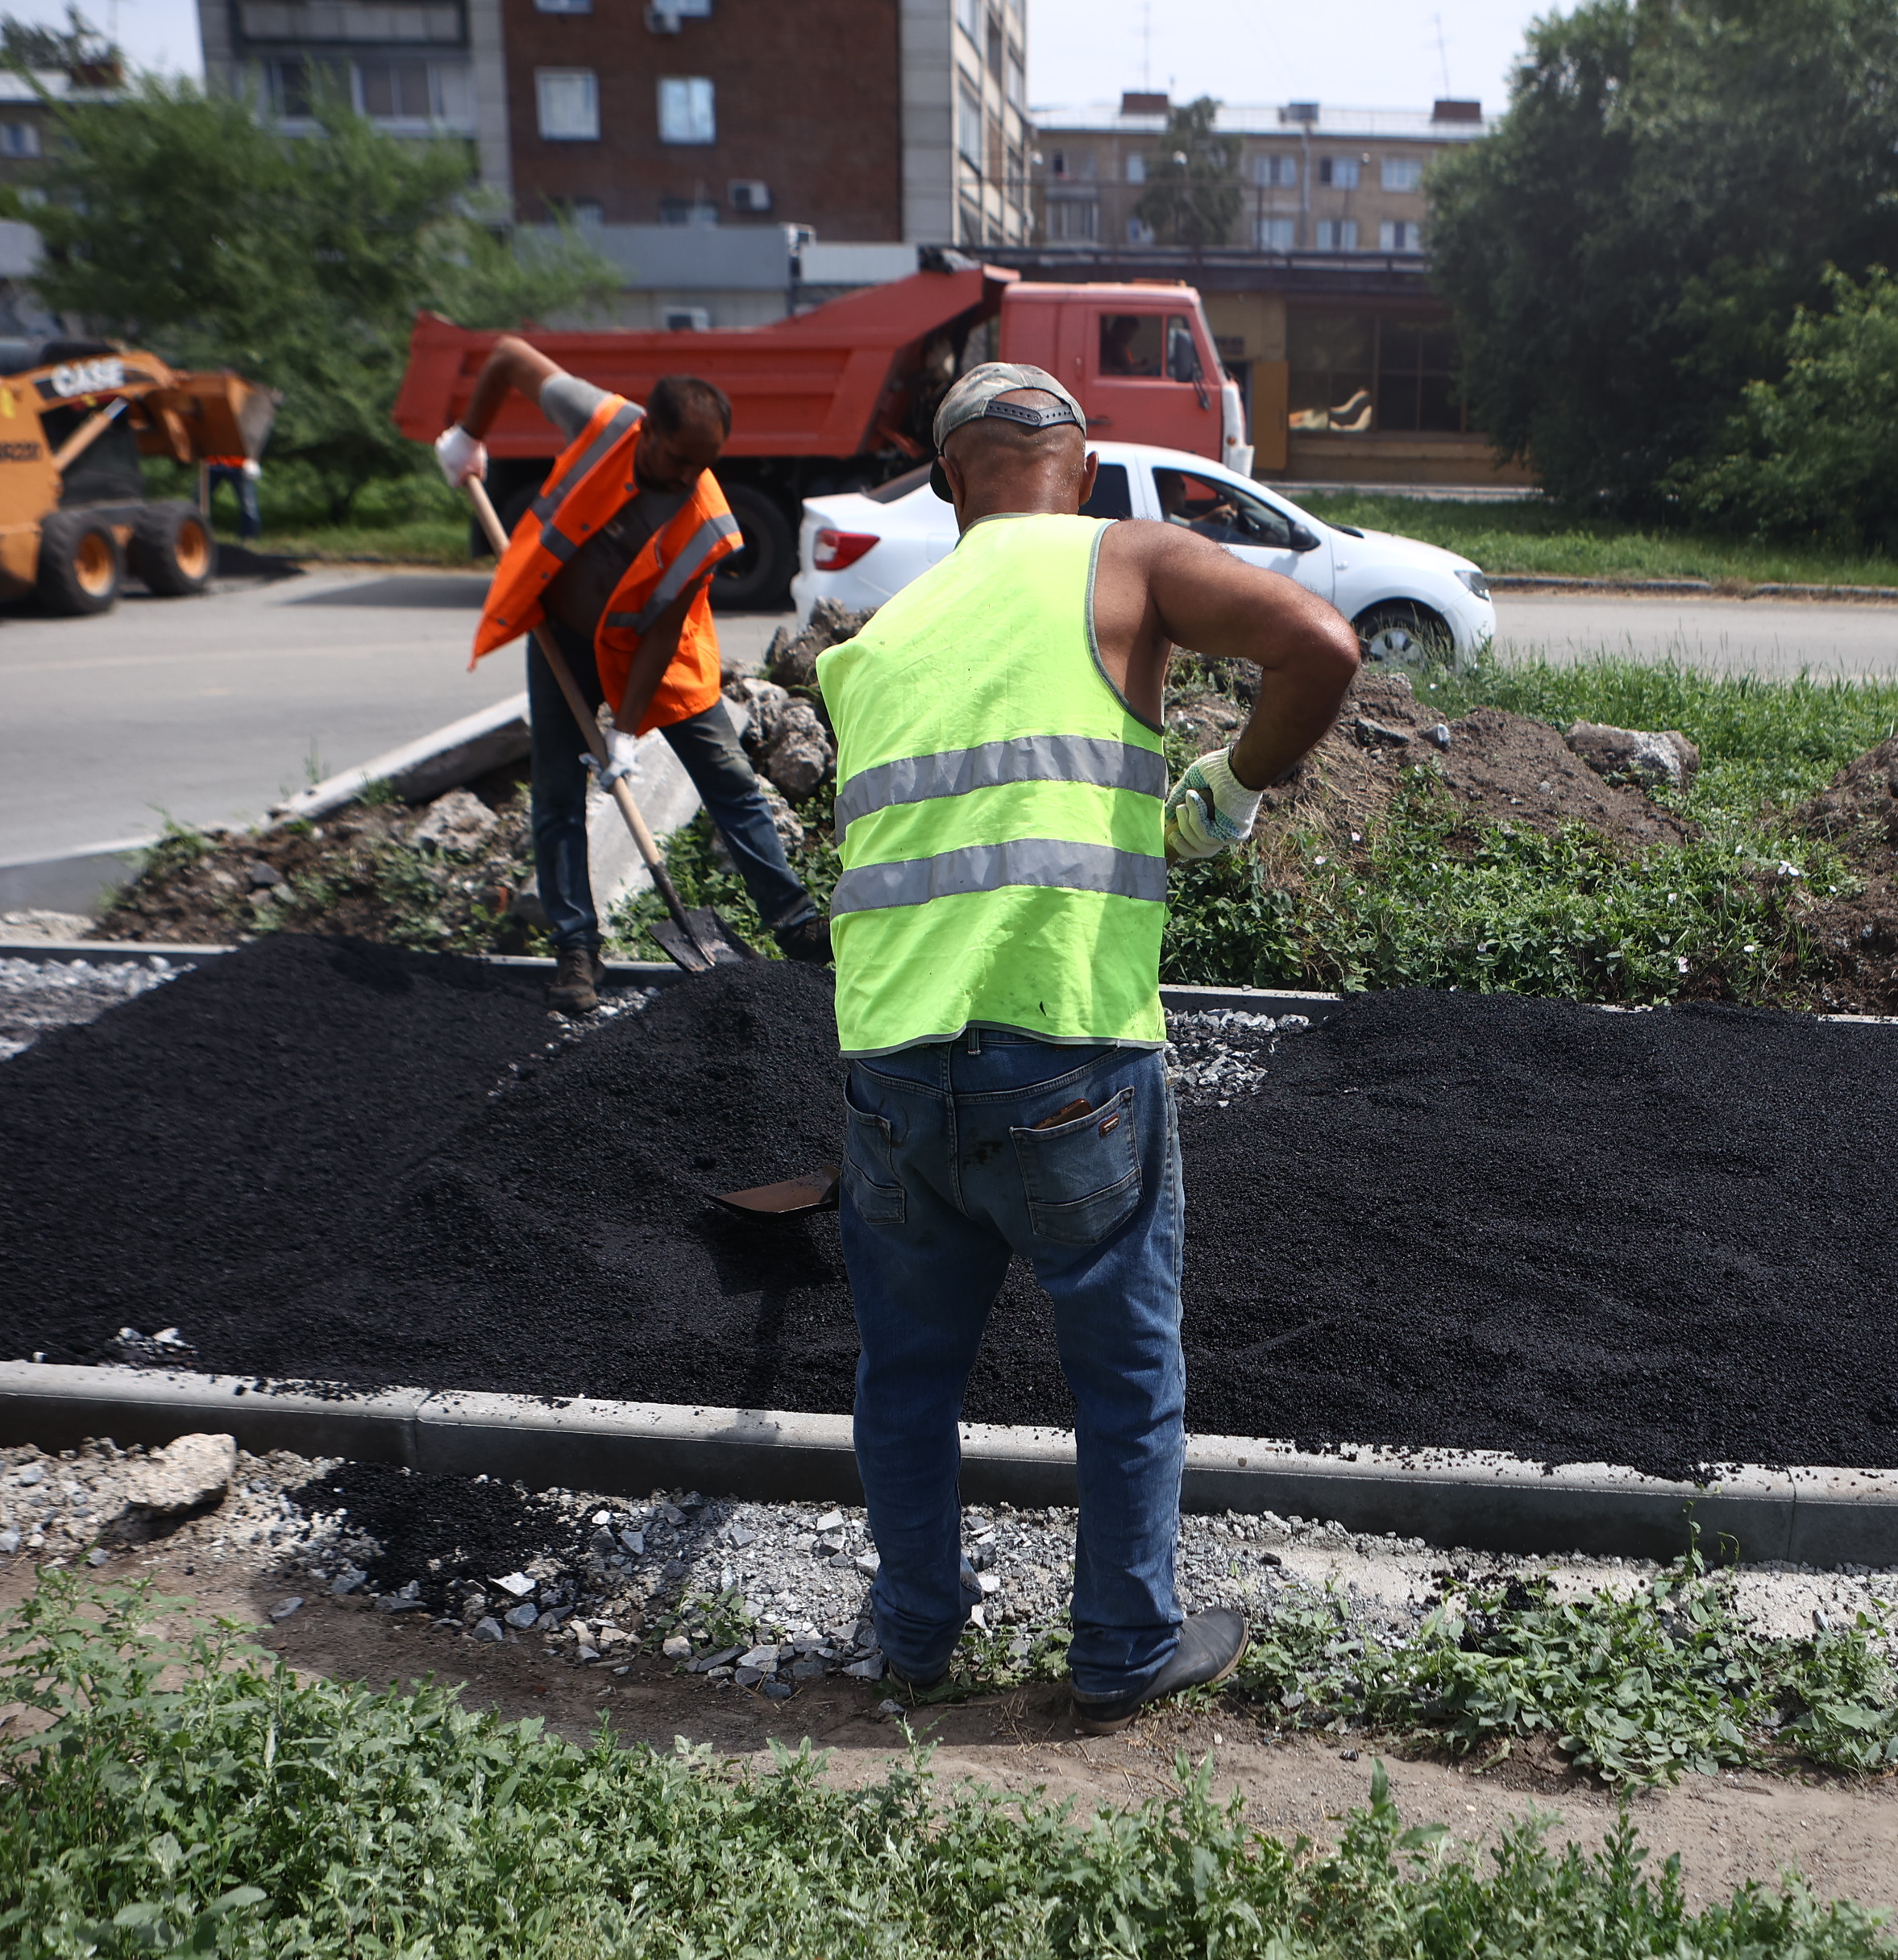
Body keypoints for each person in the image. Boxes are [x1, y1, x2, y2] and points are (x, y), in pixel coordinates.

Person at [817, 363, 1358, 1733]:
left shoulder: (874, 639)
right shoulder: (1125, 556)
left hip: (891, 1067)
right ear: (1089, 465)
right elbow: (1319, 645)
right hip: (1066, 1054)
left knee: (905, 1378)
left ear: (946, 485)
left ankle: (914, 1639)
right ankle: (1121, 1648)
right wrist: (1230, 789)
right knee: (1123, 1376)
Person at [434, 338, 824, 1011]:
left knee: (730, 780)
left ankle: (796, 925)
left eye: (704, 463)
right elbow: (507, 356)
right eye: (679, 458)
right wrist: (469, 436)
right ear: (647, 430)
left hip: (660, 655)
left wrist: (625, 731)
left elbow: (664, 631)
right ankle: (576, 950)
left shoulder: (707, 521)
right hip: (563, 643)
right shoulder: (601, 420)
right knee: (557, 795)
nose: (690, 476)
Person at [201, 454, 260, 541]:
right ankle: (200, 533)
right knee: (201, 500)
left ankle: (249, 537)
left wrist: (253, 459)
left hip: (239, 464)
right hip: (213, 462)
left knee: (248, 504)